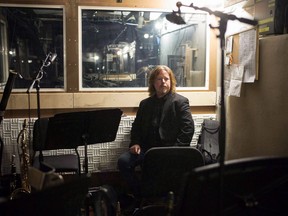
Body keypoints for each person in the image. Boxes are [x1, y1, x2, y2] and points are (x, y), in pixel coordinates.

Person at [117, 65, 195, 199]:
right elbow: (136, 127)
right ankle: (140, 194)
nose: (163, 82)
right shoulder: (145, 104)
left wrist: (176, 150)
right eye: (159, 79)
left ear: (171, 82)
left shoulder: (180, 102)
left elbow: (188, 129)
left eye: (166, 79)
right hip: (147, 149)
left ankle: (161, 199)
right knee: (123, 162)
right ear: (153, 82)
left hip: (170, 150)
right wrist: (135, 143)